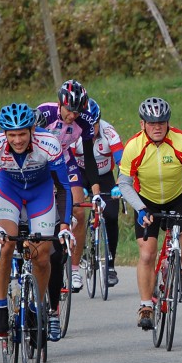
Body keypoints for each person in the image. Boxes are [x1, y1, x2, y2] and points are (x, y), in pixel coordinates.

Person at [118, 97, 182, 331]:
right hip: (146, 202)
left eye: (162, 122)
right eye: (152, 123)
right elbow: (124, 183)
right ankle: (145, 306)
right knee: (147, 253)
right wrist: (139, 208)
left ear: (168, 123)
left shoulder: (181, 142)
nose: (157, 127)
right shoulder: (134, 146)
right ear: (142, 124)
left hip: (178, 198)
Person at [0, 103, 74, 340]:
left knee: (41, 254)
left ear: (32, 129)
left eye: (22, 133)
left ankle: (36, 306)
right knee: (6, 244)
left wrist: (63, 225)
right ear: (4, 133)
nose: (18, 140)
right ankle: (1, 307)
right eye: (12, 135)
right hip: (8, 192)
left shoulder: (49, 143)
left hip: (39, 194)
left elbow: (63, 187)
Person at [37, 80, 104, 295]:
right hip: (41, 163)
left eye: (77, 111)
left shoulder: (84, 121)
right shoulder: (44, 113)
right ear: (59, 103)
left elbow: (91, 160)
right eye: (68, 110)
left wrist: (95, 194)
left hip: (65, 161)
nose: (72, 115)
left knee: (79, 211)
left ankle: (74, 269)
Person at [70, 98, 125, 287]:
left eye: (94, 124)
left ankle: (110, 265)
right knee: (76, 213)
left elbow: (123, 164)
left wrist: (119, 184)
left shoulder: (109, 132)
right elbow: (66, 162)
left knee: (110, 215)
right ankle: (78, 251)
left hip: (105, 176)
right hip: (80, 175)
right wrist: (78, 186)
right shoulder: (74, 135)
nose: (91, 129)